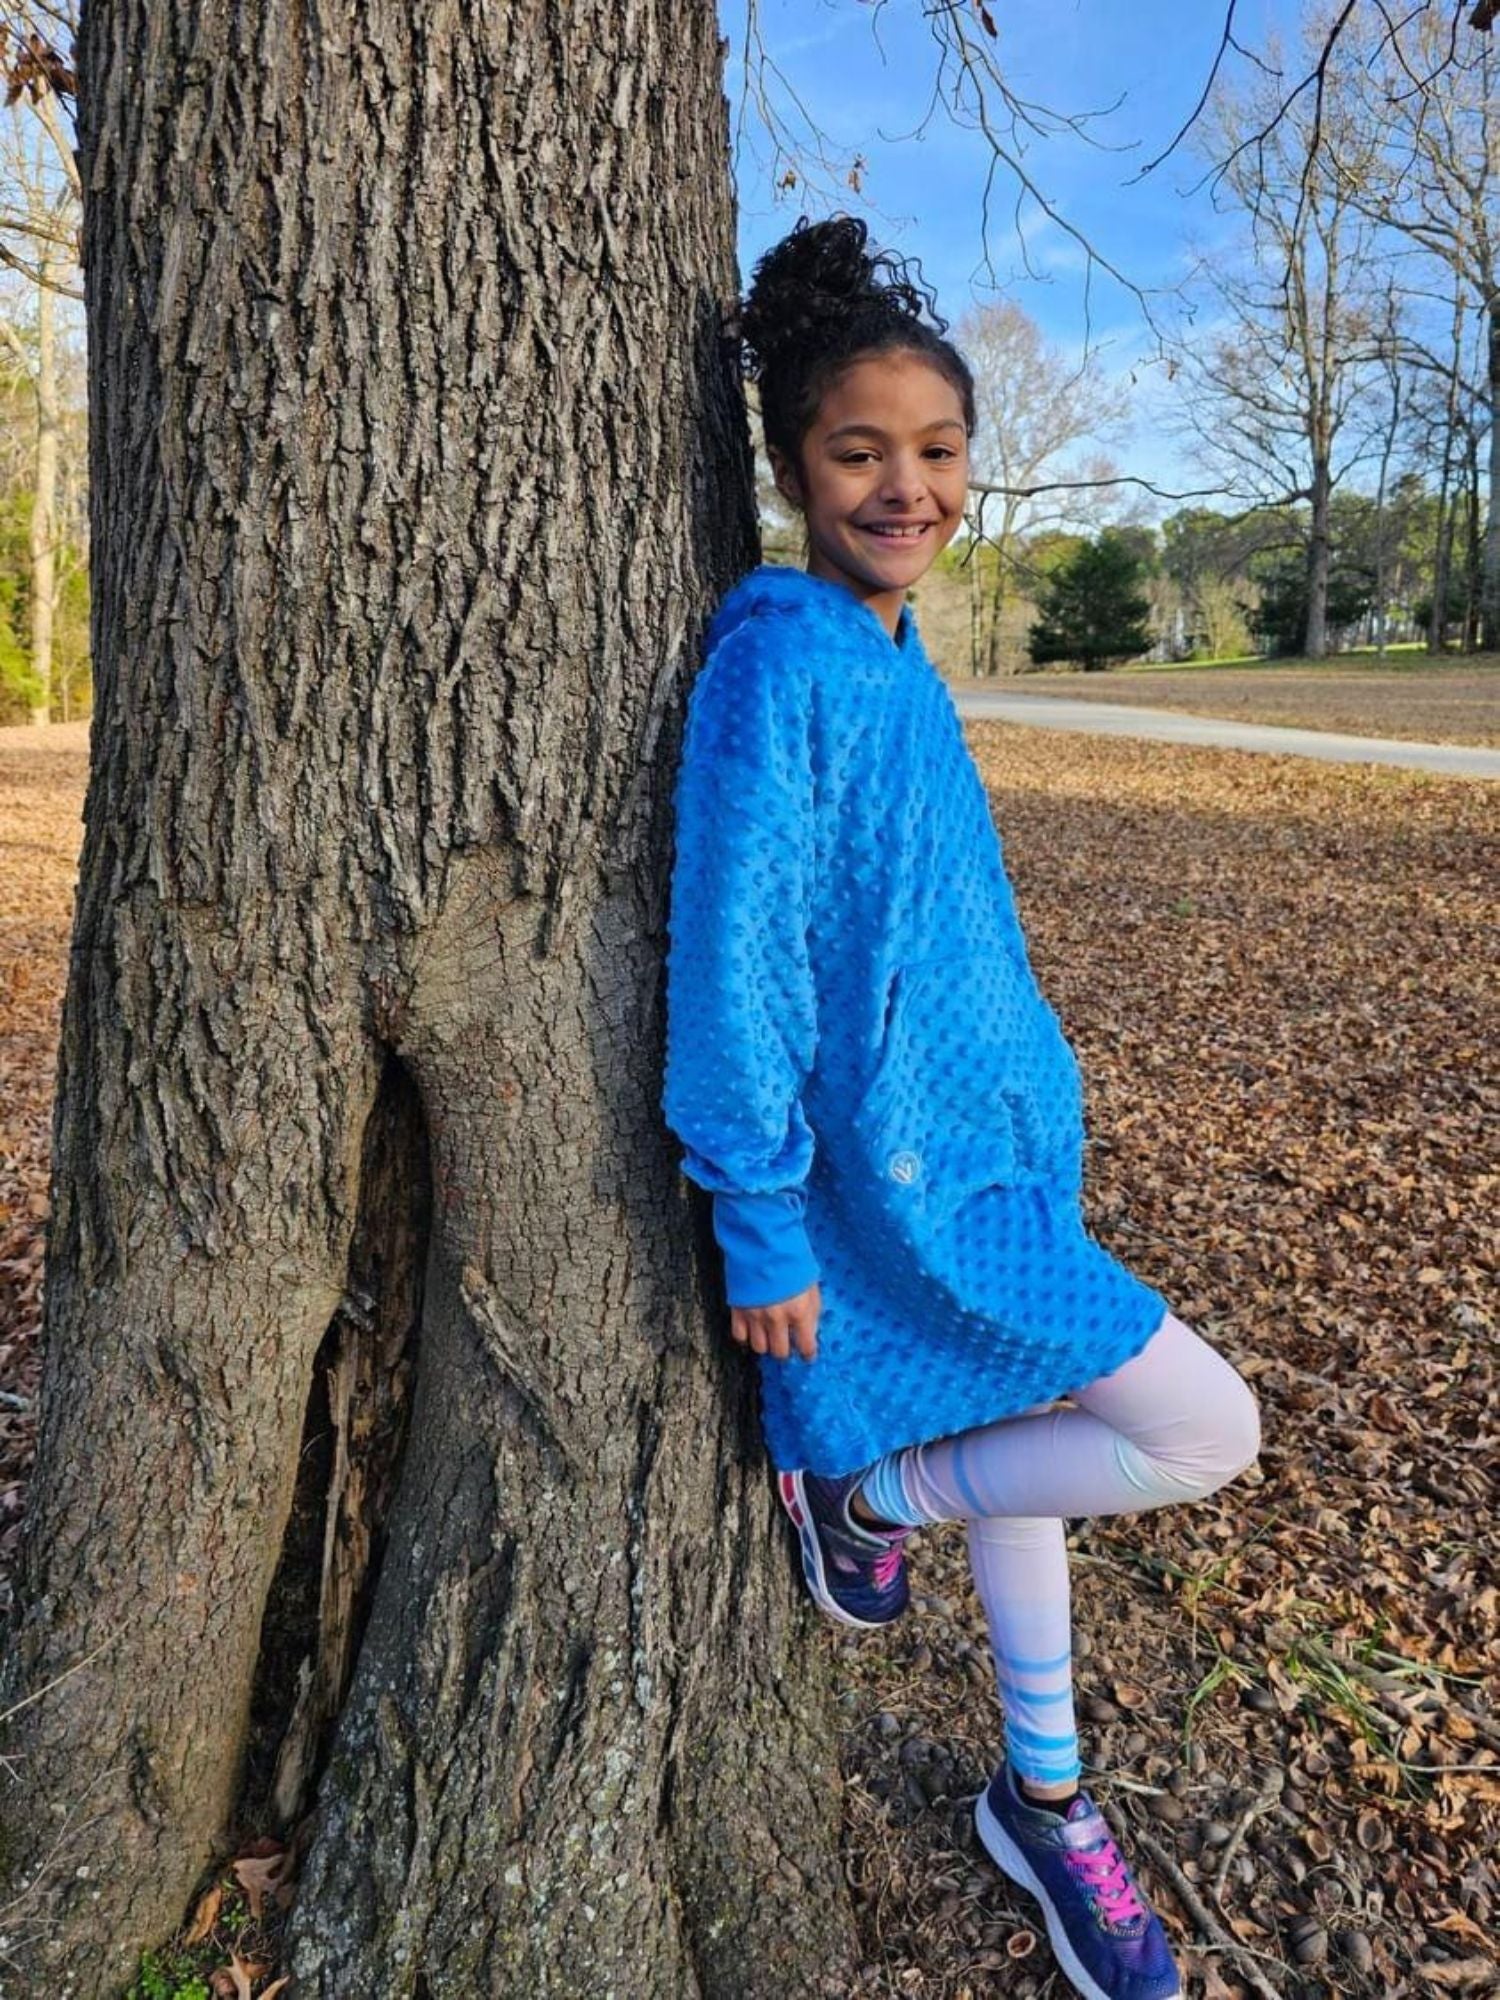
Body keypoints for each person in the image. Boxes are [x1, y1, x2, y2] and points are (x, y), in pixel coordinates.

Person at [661, 214, 1262, 2000]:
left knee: (1031, 1455)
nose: (904, 486)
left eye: (936, 451)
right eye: (859, 452)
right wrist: (757, 1212)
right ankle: (868, 1499)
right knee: (1201, 1428)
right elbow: (738, 946)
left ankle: (1045, 1800)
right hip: (909, 1188)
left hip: (992, 1154)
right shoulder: (781, 659)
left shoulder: (894, 651)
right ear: (790, 469)